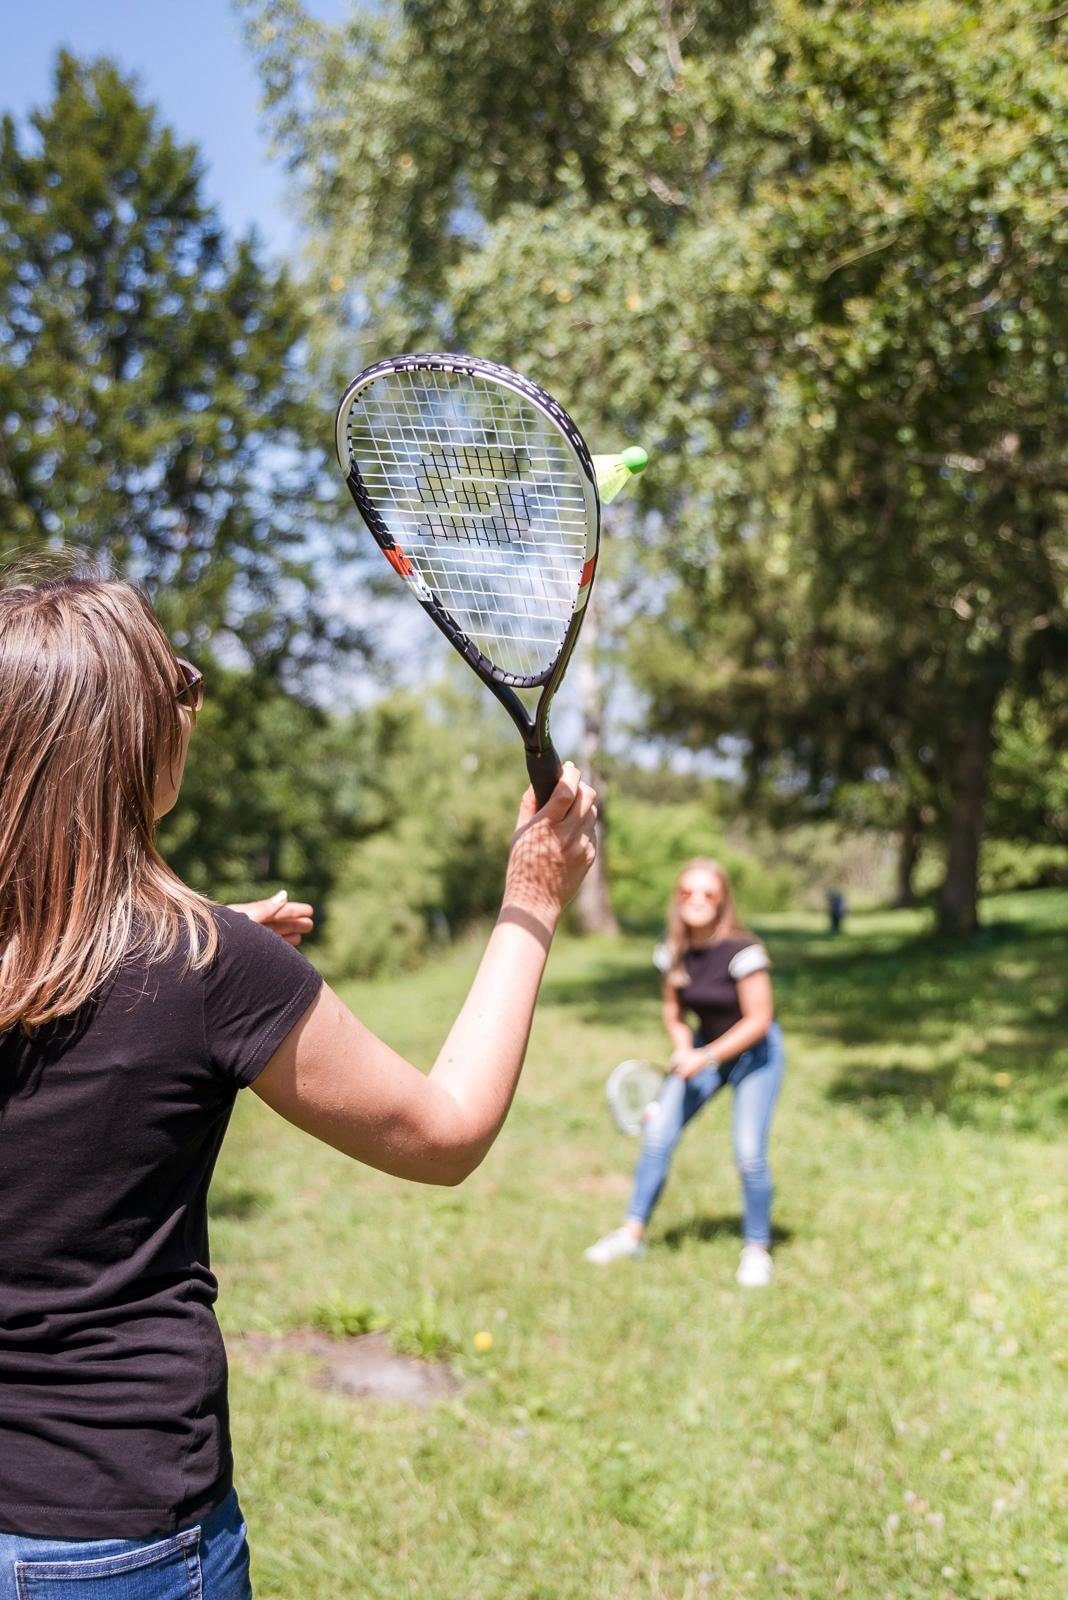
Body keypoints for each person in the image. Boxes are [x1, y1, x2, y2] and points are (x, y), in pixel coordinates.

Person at [0, 561, 596, 1597]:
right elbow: (445, 1132)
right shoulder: (206, 971)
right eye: (180, 681)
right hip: (116, 1536)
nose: (196, 701)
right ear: (136, 735)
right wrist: (533, 899)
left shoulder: (186, 965)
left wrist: (206, 949)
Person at [585, 858, 785, 1287]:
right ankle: (632, 1234)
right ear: (676, 899)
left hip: (754, 1055)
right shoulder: (672, 950)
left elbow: (758, 1021)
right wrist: (681, 1045)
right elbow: (673, 1010)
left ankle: (756, 1249)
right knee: (657, 1137)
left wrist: (705, 1056)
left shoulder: (743, 952)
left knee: (749, 1153)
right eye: (687, 892)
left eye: (707, 893)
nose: (696, 900)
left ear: (722, 901)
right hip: (700, 1051)